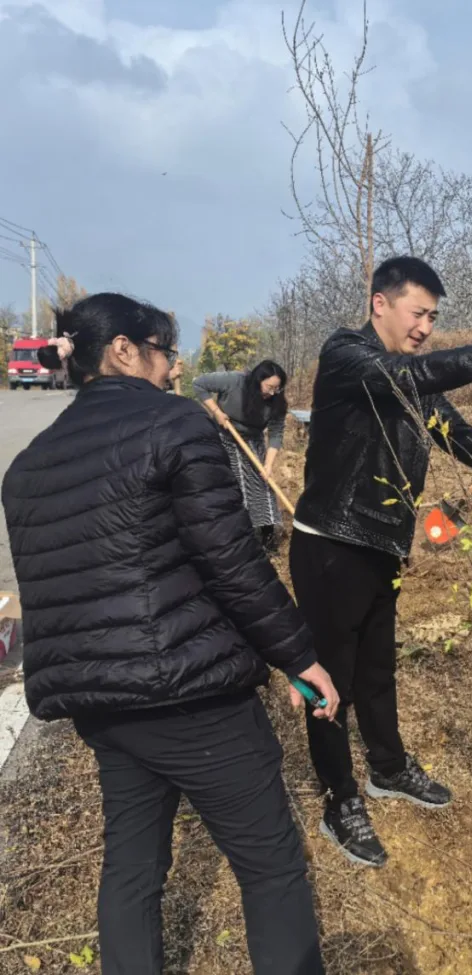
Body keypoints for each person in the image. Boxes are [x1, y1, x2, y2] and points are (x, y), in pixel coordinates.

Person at [1, 294, 339, 975]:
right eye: (164, 349)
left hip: (101, 707)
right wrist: (301, 656)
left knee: (132, 865)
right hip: (192, 698)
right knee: (271, 864)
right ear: (124, 350)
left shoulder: (28, 467)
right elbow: (233, 563)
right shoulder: (173, 423)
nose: (172, 366)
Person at [290, 255, 472, 867]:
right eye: (419, 314)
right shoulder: (346, 356)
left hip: (384, 541)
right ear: (380, 303)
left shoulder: (411, 378)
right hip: (331, 543)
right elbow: (416, 376)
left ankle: (387, 766)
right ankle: (340, 800)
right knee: (328, 683)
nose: (426, 329)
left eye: (434, 318)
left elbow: (449, 427)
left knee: (378, 667)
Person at [194, 360, 288, 553]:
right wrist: (216, 411)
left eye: (276, 389)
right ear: (257, 380)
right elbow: (199, 384)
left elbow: (276, 434)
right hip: (225, 435)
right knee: (235, 486)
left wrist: (268, 466)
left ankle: (268, 541)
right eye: (269, 387)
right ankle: (239, 539)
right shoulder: (234, 381)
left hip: (253, 440)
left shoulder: (276, 402)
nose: (272, 393)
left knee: (262, 487)